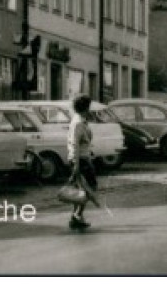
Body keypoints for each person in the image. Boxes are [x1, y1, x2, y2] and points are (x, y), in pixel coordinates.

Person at [65, 94, 99, 232]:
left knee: (80, 190)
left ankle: (77, 217)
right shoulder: (78, 123)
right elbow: (74, 144)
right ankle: (77, 215)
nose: (90, 109)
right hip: (80, 160)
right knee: (90, 188)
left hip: (83, 159)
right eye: (89, 107)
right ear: (85, 107)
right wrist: (76, 165)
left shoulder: (81, 121)